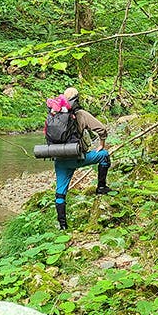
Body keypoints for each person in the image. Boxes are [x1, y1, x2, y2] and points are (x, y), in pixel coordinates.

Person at [52, 87, 112, 230]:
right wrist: (102, 144)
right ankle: (101, 187)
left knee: (60, 192)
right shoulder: (80, 114)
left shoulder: (54, 114)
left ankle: (63, 225)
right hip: (77, 157)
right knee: (104, 155)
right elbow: (101, 129)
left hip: (60, 159)